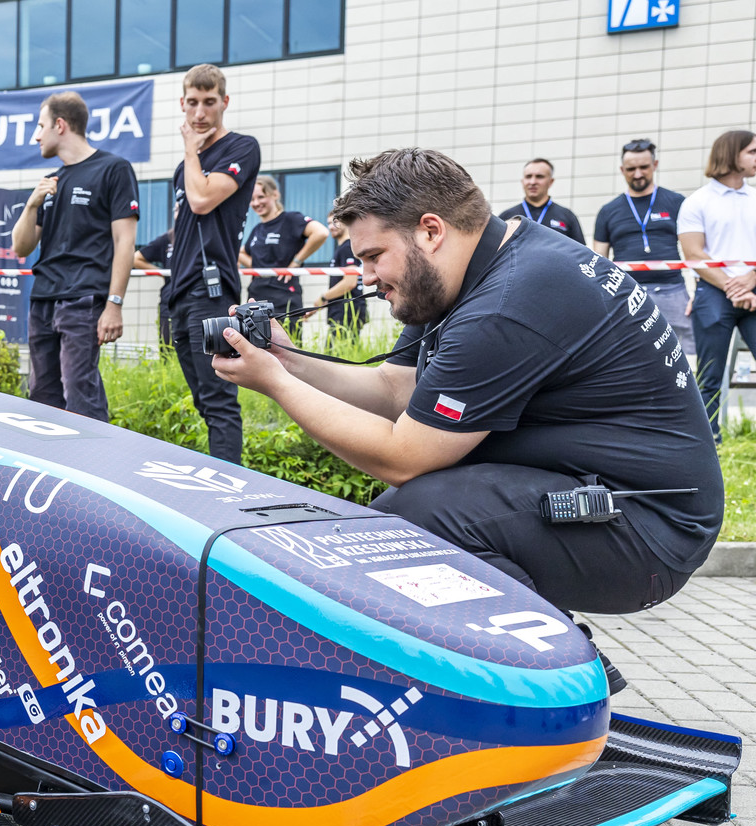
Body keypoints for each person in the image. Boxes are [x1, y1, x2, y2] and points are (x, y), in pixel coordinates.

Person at [211, 148, 722, 692]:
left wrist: (277, 384)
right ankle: (541, 664)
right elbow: (394, 390)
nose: (366, 278)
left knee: (413, 519)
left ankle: (545, 677)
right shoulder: (471, 271)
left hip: (649, 532)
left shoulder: (509, 302)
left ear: (430, 231)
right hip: (604, 495)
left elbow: (402, 457)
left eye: (374, 256)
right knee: (418, 509)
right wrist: (288, 360)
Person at [10, 91, 139, 422]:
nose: (36, 136)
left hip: (83, 301)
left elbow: (125, 242)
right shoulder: (52, 181)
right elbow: (21, 247)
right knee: (41, 398)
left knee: (80, 393)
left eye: (40, 126)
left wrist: (114, 304)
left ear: (60, 125)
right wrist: (31, 204)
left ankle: (96, 453)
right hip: (42, 300)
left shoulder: (114, 169)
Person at [166, 63, 261, 463]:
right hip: (179, 291)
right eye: (192, 103)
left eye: (209, 102)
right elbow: (181, 227)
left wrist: (191, 149)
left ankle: (230, 485)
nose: (200, 112)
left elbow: (203, 199)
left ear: (225, 102)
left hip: (212, 290)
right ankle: (217, 472)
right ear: (182, 104)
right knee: (203, 400)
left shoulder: (242, 147)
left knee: (219, 399)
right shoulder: (183, 169)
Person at [679, 129, 756, 437]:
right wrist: (735, 287)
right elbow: (694, 254)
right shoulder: (697, 202)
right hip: (713, 292)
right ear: (731, 154)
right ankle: (710, 442)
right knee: (709, 375)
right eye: (752, 151)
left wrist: (750, 279)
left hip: (752, 289)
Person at [593, 139, 695, 364]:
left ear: (655, 165)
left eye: (644, 167)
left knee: (687, 357)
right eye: (631, 169)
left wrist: (697, 293)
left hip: (673, 291)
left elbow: (695, 250)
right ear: (622, 170)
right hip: (627, 294)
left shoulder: (677, 202)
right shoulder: (608, 211)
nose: (638, 174)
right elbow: (599, 261)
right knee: (630, 357)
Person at [240, 176, 328, 331]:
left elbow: (321, 233)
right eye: (252, 199)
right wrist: (259, 268)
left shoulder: (290, 219)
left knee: (288, 343)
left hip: (284, 297)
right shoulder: (257, 230)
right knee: (256, 343)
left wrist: (295, 262)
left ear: (275, 194)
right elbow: (240, 253)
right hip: (256, 298)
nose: (256, 203)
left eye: (261, 197)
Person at [498, 158, 584, 244]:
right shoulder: (507, 217)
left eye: (539, 177)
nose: (532, 182)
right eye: (528, 176)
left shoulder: (567, 216)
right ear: (523, 181)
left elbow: (580, 250)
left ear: (550, 182)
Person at [315, 214, 367, 338]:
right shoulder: (343, 248)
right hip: (342, 311)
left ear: (346, 222)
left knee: (335, 350)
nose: (331, 227)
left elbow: (350, 282)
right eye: (328, 223)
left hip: (347, 312)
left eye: (335, 222)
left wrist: (323, 297)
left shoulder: (347, 248)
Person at [134, 229, 173, 346]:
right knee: (167, 348)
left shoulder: (202, 235)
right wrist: (162, 273)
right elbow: (136, 258)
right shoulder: (169, 238)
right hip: (169, 301)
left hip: (198, 302)